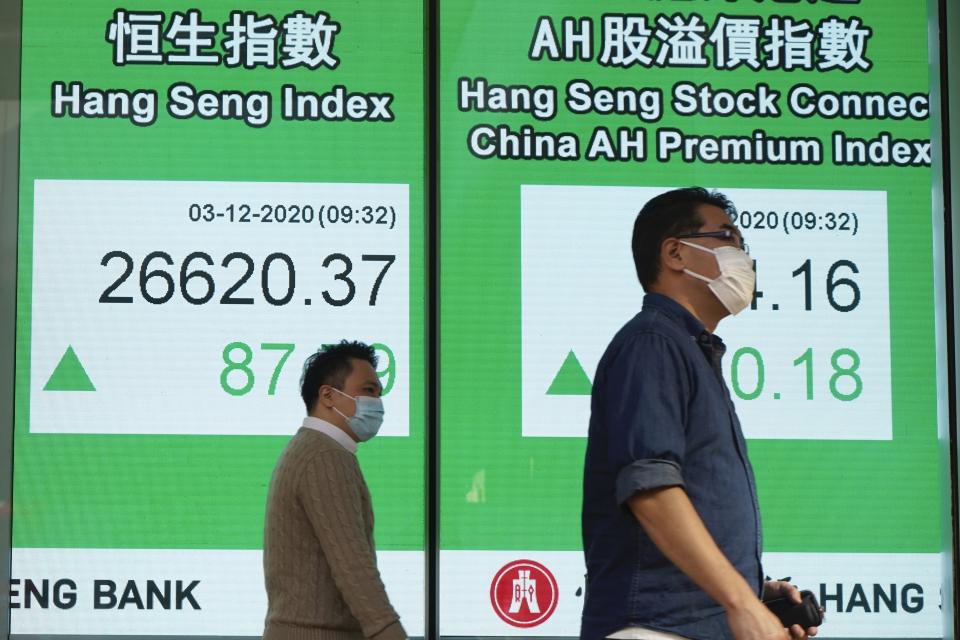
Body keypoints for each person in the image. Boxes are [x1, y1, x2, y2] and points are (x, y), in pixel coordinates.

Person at [580, 188, 820, 640]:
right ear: (674, 252)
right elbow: (651, 490)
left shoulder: (690, 350)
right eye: (727, 237)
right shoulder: (652, 342)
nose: (743, 258)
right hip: (655, 628)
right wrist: (738, 601)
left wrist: (755, 593)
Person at [262, 340, 406, 640]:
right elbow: (353, 565)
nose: (377, 402)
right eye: (368, 390)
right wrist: (389, 632)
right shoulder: (324, 456)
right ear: (328, 395)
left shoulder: (316, 449)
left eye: (379, 393)